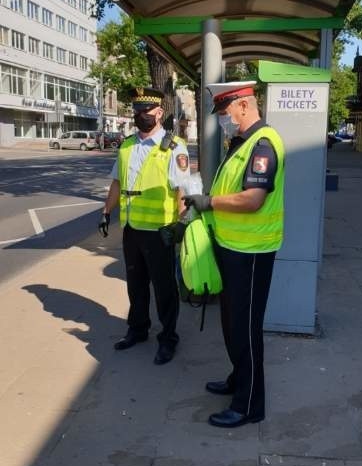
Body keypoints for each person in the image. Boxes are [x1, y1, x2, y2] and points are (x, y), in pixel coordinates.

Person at [184, 81, 285, 427]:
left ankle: (248, 405)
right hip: (232, 248)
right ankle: (237, 378)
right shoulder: (241, 143)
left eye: (226, 113)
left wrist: (209, 202)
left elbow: (253, 200)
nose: (224, 120)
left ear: (243, 105)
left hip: (252, 252)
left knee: (246, 328)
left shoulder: (263, 144)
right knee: (230, 323)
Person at [98, 87, 190, 365]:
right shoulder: (127, 145)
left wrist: (181, 223)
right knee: (136, 284)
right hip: (131, 228)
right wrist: (106, 212)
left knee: (164, 288)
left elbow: (182, 189)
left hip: (160, 230)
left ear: (159, 113)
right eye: (136, 111)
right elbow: (117, 183)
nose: (140, 115)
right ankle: (138, 329)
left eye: (146, 111)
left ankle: (168, 338)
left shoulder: (173, 147)